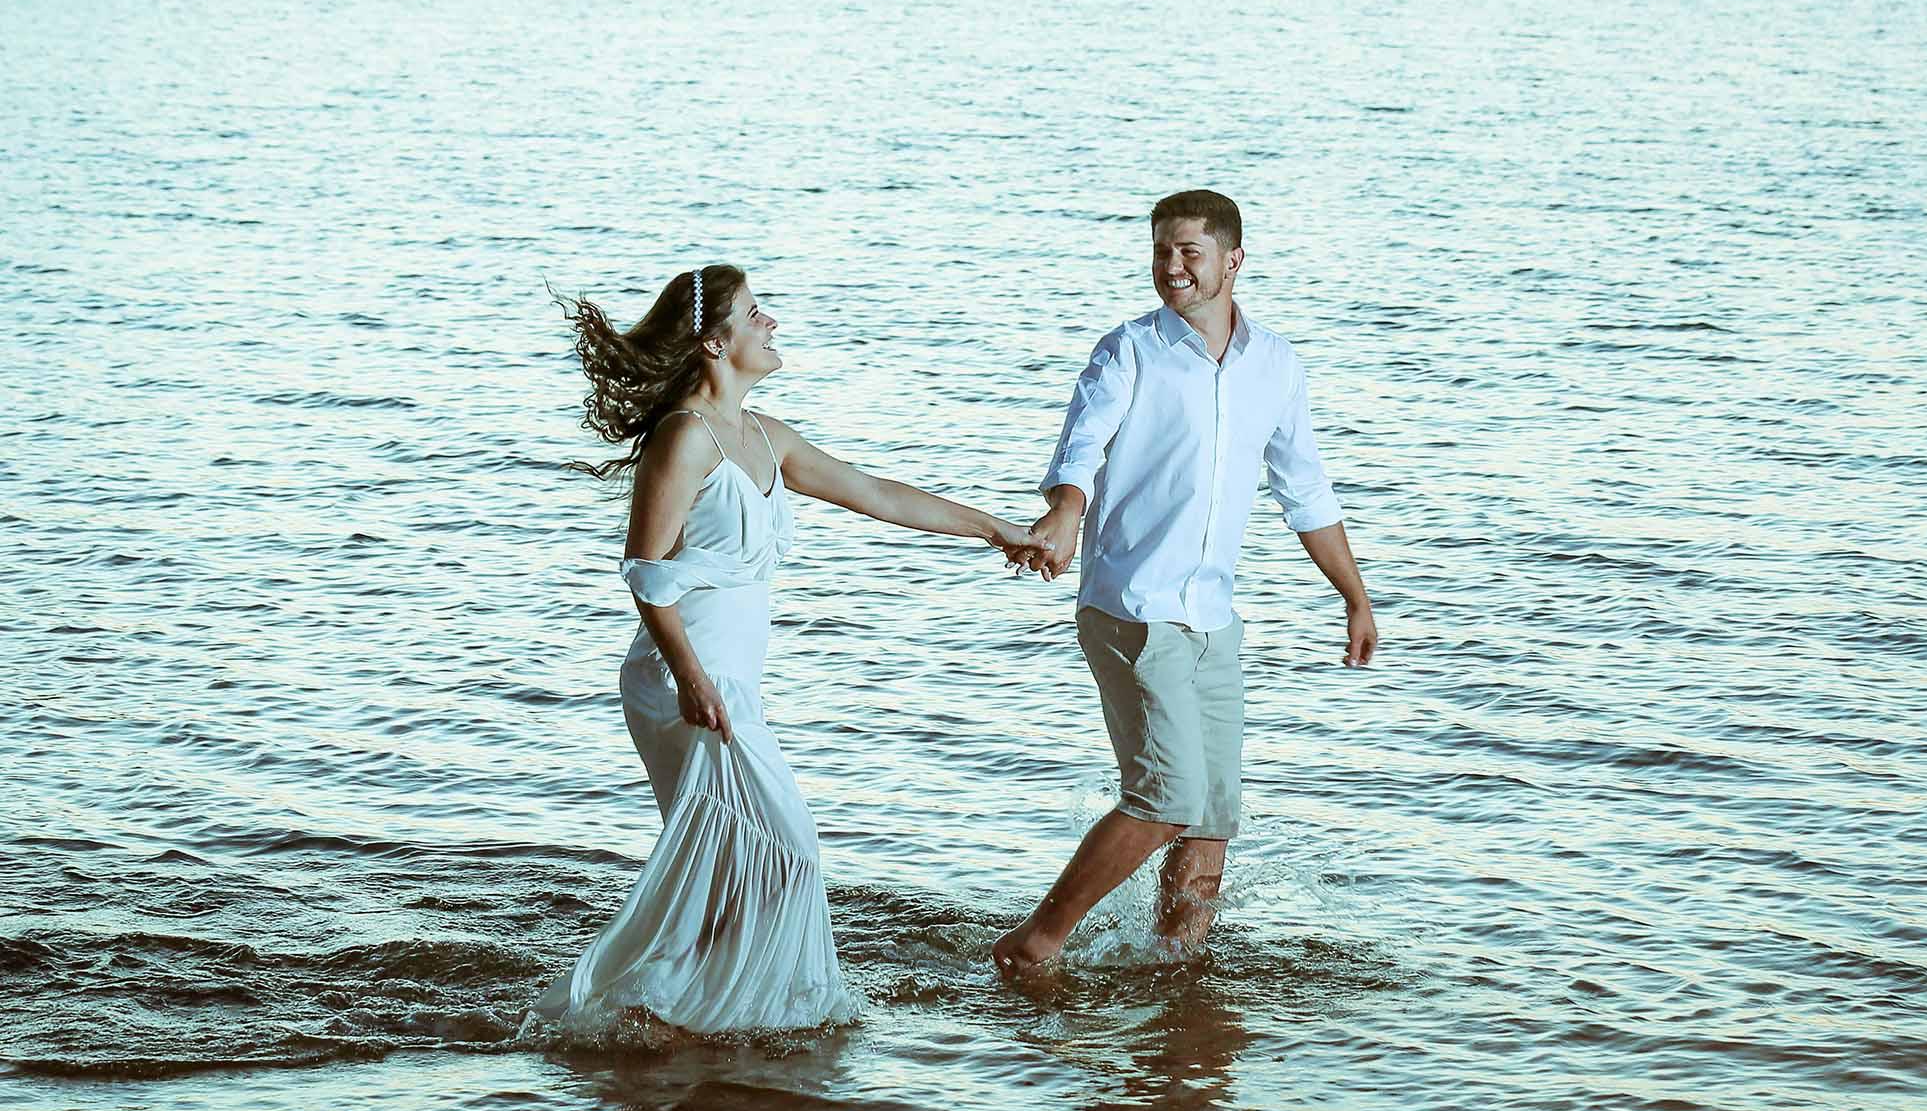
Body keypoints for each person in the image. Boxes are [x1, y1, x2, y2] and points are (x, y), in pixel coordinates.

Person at [531, 262, 1036, 1034]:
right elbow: (646, 573)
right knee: (787, 846)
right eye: (754, 312)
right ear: (713, 341)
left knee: (741, 866)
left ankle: (668, 1010)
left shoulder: (766, 437)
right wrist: (691, 678)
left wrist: (995, 528)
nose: (771, 324)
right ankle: (669, 1006)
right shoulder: (685, 438)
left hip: (726, 679)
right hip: (683, 678)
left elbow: (876, 492)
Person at [992, 191, 1376, 979]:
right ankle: (1035, 941)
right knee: (1167, 795)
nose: (1171, 266)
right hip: (1132, 607)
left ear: (1233, 260)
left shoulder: (1275, 365)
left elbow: (1306, 491)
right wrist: (1065, 512)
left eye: (1188, 251)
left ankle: (1173, 967)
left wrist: (1355, 596)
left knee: (1209, 817)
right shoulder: (1128, 351)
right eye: (1161, 250)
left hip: (1213, 620)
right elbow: (1080, 450)